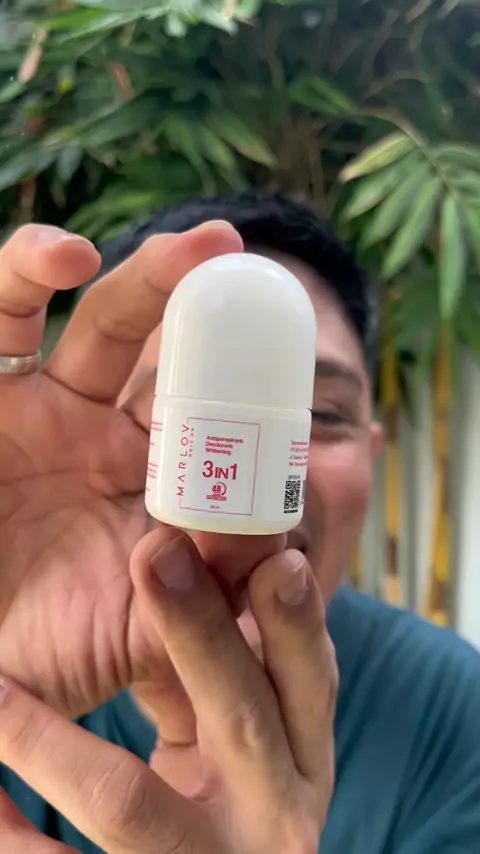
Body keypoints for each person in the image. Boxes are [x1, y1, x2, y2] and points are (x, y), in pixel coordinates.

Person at [0, 191, 478, 853]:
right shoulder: (22, 651)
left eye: (322, 414)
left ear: (371, 453)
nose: (249, 470)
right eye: (177, 410)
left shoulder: (451, 706)